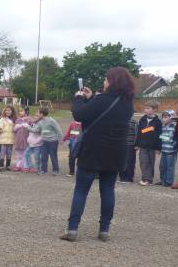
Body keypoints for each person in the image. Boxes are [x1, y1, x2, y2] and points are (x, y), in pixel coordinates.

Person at [60, 67, 135, 242]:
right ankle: (104, 230)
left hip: (93, 150)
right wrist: (91, 98)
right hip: (116, 152)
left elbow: (80, 114)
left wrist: (78, 98)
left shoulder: (102, 99)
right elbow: (103, 112)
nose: (104, 81)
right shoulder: (127, 103)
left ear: (112, 82)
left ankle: (72, 228)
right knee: (108, 190)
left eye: (106, 79)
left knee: (81, 190)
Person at [134, 101, 163, 186]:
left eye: (148, 108)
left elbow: (160, 135)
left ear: (154, 109)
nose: (145, 110)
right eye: (145, 108)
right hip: (143, 145)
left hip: (152, 146)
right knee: (143, 162)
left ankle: (148, 179)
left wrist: (158, 148)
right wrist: (137, 144)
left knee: (150, 162)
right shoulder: (142, 119)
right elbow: (139, 132)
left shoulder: (158, 122)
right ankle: (145, 178)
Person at [31, 108, 63, 175]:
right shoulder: (40, 122)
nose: (37, 114)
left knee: (53, 156)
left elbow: (58, 130)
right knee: (44, 156)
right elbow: (36, 130)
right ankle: (44, 170)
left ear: (42, 114)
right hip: (44, 141)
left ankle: (56, 170)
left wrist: (60, 140)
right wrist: (27, 127)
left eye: (39, 113)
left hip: (53, 141)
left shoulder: (52, 121)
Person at [157, 110, 177, 187]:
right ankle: (163, 180)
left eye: (166, 117)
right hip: (164, 150)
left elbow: (175, 138)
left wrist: (173, 144)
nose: (164, 119)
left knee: (169, 167)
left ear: (171, 117)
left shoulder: (175, 126)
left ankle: (169, 181)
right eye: (163, 117)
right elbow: (161, 137)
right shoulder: (162, 126)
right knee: (162, 166)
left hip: (171, 151)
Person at [119, 114, 137, 183]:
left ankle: (129, 177)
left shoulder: (134, 122)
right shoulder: (120, 121)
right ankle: (122, 177)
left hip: (131, 144)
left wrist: (136, 144)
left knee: (129, 161)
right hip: (121, 144)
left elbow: (136, 133)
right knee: (121, 160)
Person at [0, 106, 16, 171]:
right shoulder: (2, 119)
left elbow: (15, 128)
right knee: (2, 153)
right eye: (6, 110)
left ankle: (8, 165)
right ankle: (1, 165)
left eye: (9, 110)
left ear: (12, 111)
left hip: (11, 139)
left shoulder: (14, 120)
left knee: (9, 153)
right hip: (3, 139)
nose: (7, 112)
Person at [13, 107, 32, 172]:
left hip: (26, 139)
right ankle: (19, 165)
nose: (20, 112)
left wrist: (28, 126)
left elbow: (33, 128)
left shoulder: (29, 119)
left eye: (21, 111)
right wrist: (16, 127)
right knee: (19, 154)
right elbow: (14, 130)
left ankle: (26, 166)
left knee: (25, 153)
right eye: (19, 111)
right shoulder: (17, 120)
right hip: (19, 139)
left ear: (26, 111)